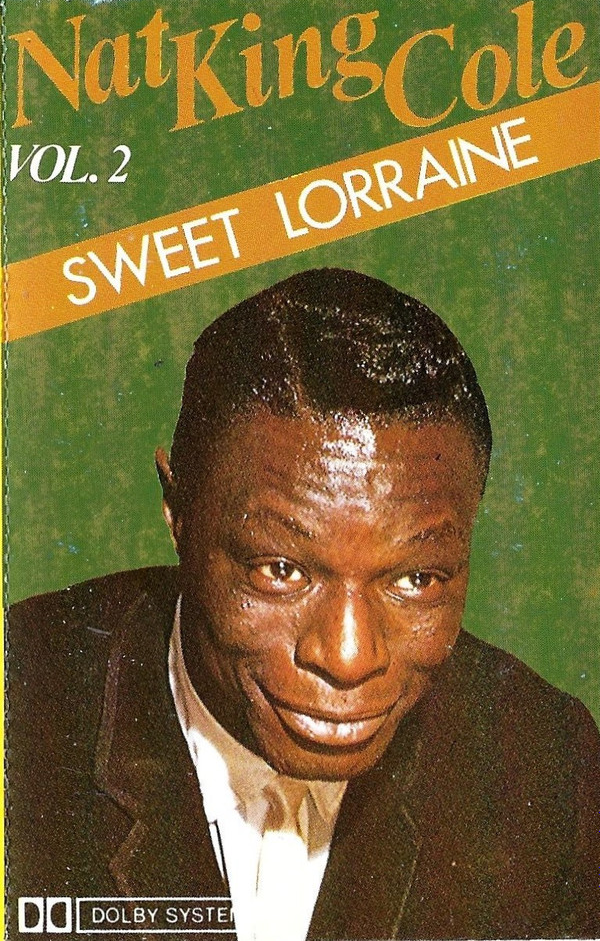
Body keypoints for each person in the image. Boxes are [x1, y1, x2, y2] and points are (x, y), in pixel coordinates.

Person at [7, 268, 600, 941]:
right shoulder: (19, 717)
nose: (348, 658)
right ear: (178, 511)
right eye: (281, 570)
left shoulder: (547, 769)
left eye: (416, 579)